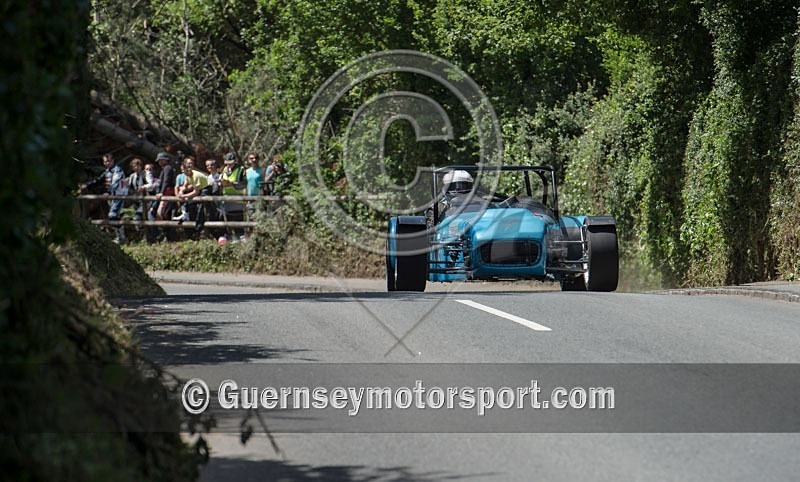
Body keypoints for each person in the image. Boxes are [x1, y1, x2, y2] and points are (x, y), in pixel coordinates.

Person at [81, 152, 127, 243]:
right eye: (105, 162)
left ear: (113, 160)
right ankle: (120, 236)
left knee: (112, 215)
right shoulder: (107, 171)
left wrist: (108, 192)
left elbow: (115, 183)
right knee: (113, 216)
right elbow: (99, 180)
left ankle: (121, 236)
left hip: (118, 196)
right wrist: (87, 186)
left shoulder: (117, 170)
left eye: (108, 161)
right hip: (111, 197)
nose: (107, 163)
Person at [219, 152, 246, 241]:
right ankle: (231, 238)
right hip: (226, 199)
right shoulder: (224, 170)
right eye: (227, 163)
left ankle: (241, 237)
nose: (229, 165)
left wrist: (232, 184)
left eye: (231, 162)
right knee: (228, 220)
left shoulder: (241, 170)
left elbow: (244, 184)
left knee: (238, 219)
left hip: (237, 199)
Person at [245, 152, 266, 222]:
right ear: (249, 160)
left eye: (256, 158)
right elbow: (246, 185)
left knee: (260, 218)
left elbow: (265, 183)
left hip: (259, 198)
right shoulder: (247, 171)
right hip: (249, 199)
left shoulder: (262, 170)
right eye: (251, 158)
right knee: (250, 218)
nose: (254, 160)